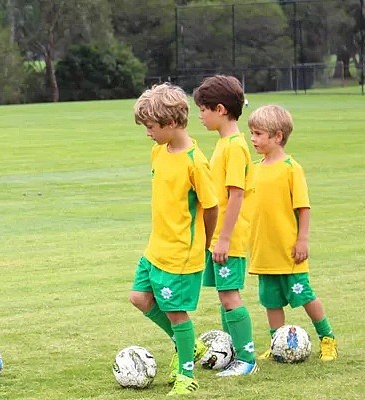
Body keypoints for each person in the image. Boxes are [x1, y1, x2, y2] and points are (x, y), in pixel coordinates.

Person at [129, 83, 218, 396]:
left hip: (181, 254)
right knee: (139, 298)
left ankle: (186, 375)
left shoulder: (196, 162)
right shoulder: (158, 152)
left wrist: (205, 243)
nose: (148, 133)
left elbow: (211, 206)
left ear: (170, 124)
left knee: (177, 313)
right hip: (155, 248)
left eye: (151, 127)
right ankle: (190, 344)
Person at [246, 104, 338, 362]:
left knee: (304, 295)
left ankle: (327, 338)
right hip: (264, 252)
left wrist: (302, 239)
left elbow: (303, 207)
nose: (253, 139)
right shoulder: (254, 169)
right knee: (271, 301)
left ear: (277, 136)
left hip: (289, 251)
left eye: (258, 134)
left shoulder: (290, 168)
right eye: (251, 133)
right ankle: (278, 343)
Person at [192, 75, 257, 376]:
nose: (200, 116)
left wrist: (224, 239)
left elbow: (236, 195)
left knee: (230, 295)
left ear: (220, 109)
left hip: (227, 237)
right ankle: (232, 353)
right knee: (223, 293)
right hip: (217, 235)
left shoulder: (234, 147)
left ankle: (247, 360)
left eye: (203, 109)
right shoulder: (224, 143)